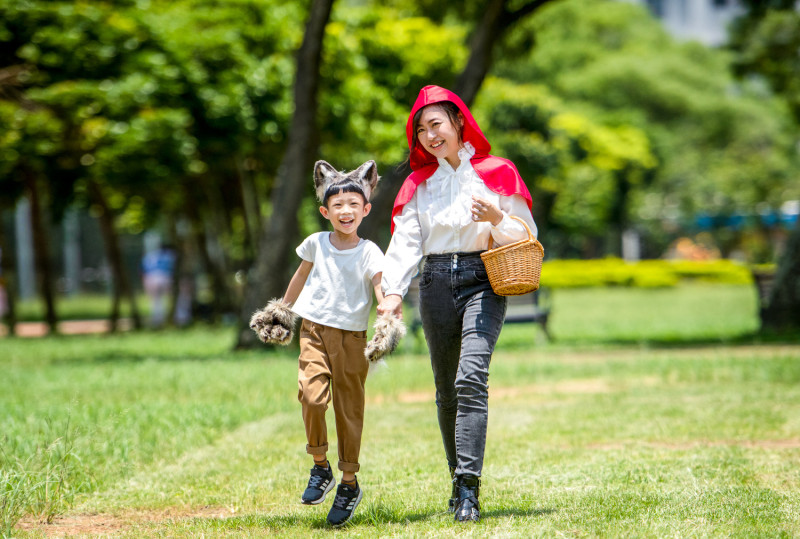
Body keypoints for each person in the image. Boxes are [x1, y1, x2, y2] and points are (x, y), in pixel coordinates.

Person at [377, 85, 537, 523]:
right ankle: (456, 481)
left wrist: (497, 219)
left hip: (483, 279)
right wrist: (392, 294)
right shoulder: (418, 184)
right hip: (433, 284)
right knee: (447, 391)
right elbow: (407, 243)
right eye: (422, 129)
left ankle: (469, 489)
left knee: (471, 377)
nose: (430, 135)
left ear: (459, 123)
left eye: (437, 124)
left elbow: (527, 238)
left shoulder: (498, 172)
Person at [250, 160, 384, 528]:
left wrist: (387, 307)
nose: (346, 211)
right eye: (338, 205)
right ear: (326, 211)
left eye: (353, 205)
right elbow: (298, 279)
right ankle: (320, 465)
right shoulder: (315, 244)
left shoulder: (370, 250)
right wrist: (281, 311)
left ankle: (349, 483)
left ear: (365, 210)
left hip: (352, 339)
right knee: (311, 396)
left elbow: (379, 284)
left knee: (348, 409)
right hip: (314, 331)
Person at [141, 244, 175, 328]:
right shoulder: (171, 255)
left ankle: (157, 319)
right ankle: (170, 317)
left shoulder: (150, 255)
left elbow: (144, 270)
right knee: (169, 298)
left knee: (155, 300)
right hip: (165, 277)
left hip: (151, 278)